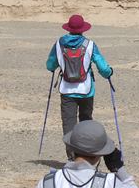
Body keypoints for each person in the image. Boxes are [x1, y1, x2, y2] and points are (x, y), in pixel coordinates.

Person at [46, 14, 114, 160]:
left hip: (67, 90)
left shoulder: (59, 44)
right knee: (86, 122)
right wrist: (109, 73)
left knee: (68, 125)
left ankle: (72, 157)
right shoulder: (90, 44)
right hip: (86, 90)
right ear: (83, 29)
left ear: (68, 28)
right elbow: (102, 67)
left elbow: (50, 65)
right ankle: (86, 156)